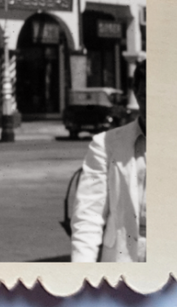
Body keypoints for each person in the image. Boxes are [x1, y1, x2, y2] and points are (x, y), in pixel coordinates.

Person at [71, 60, 147, 262]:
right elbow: (88, 216)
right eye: (146, 96)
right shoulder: (105, 144)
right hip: (124, 261)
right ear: (137, 94)